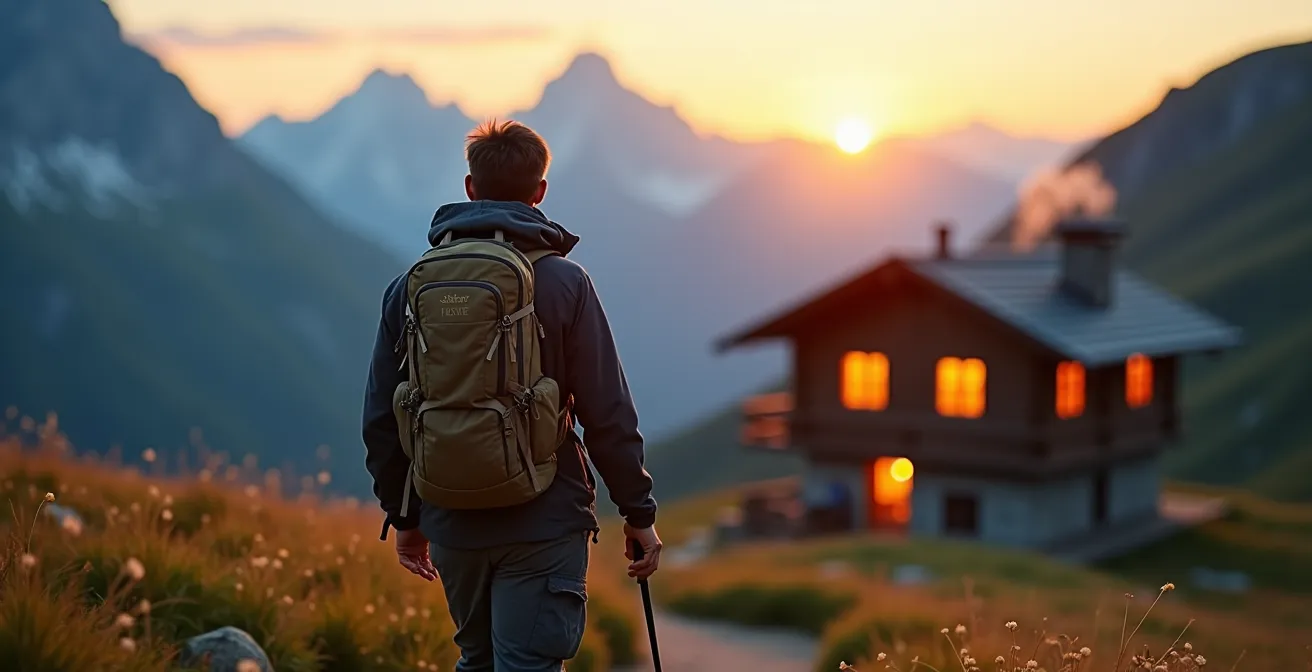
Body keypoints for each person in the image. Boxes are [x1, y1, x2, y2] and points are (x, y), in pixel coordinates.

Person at [362, 119, 662, 671]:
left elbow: (384, 415)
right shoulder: (566, 284)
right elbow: (606, 412)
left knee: (476, 661)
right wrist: (637, 513)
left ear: (470, 188)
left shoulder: (409, 288)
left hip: (451, 515)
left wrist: (405, 518)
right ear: (539, 193)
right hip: (544, 518)